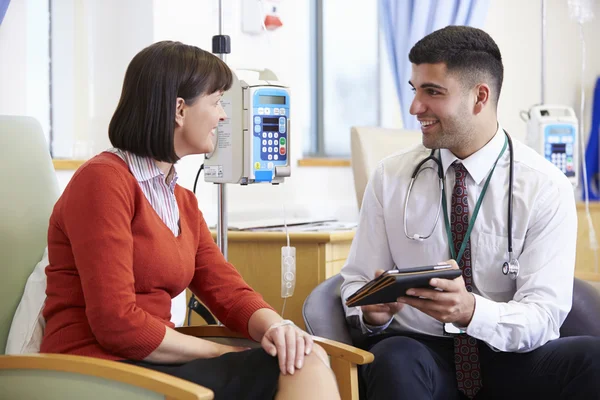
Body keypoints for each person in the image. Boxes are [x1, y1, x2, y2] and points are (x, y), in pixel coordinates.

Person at [40, 40, 339, 400]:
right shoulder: (103, 182)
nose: (223, 116)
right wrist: (222, 351)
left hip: (149, 362)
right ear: (179, 109)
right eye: (216, 103)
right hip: (93, 370)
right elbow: (116, 323)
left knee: (304, 353)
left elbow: (226, 290)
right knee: (299, 364)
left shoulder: (180, 200)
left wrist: (279, 328)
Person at [341, 26, 600, 400]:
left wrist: (472, 312)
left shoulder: (545, 186)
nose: (415, 107)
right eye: (415, 90)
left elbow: (543, 316)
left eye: (433, 92)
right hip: (423, 353)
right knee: (394, 357)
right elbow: (355, 283)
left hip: (511, 355)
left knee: (593, 358)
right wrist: (371, 312)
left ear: (480, 97)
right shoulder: (389, 178)